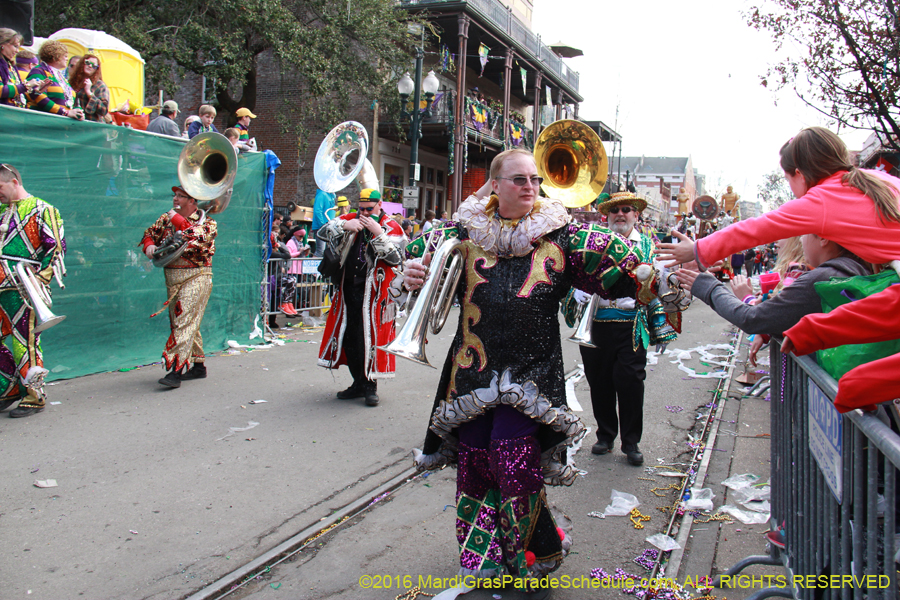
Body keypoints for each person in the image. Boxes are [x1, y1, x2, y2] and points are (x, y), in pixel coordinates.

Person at [403, 149, 682, 587]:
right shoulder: (460, 232)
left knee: (512, 458)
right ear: (495, 185)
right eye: (518, 179)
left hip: (532, 372)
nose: (529, 186)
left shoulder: (562, 236)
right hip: (472, 368)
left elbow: (622, 265)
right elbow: (413, 256)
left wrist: (661, 278)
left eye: (534, 179)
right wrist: (411, 272)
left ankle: (534, 553)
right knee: (476, 458)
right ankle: (482, 559)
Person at [658, 127, 900, 271]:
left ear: (800, 174)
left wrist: (698, 248)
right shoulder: (880, 179)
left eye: (787, 179)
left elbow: (755, 229)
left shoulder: (822, 199)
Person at [564, 192, 682, 466]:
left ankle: (631, 442)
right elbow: (570, 276)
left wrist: (663, 319)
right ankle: (605, 436)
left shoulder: (650, 248)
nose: (621, 214)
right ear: (606, 215)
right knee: (599, 382)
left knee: (630, 383)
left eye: (627, 209)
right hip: (596, 324)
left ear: (636, 215)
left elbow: (660, 288)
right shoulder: (590, 243)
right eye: (615, 210)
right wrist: (576, 292)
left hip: (631, 325)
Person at [317, 188, 404, 407]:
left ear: (379, 205)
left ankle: (370, 386)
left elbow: (396, 258)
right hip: (348, 291)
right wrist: (342, 225)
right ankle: (357, 382)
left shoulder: (390, 225)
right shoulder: (351, 218)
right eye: (361, 208)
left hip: (375, 295)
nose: (364, 213)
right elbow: (321, 231)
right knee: (349, 338)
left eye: (369, 209)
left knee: (370, 339)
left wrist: (378, 233)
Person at [0, 164, 66, 418]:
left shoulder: (43, 209)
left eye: (1, 188)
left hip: (21, 288)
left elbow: (56, 248)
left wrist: (40, 279)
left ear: (14, 181)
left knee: (24, 343)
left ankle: (34, 395)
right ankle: (9, 388)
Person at [141, 185, 217, 388]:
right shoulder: (166, 219)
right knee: (186, 322)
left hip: (197, 276)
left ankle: (175, 371)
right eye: (174, 195)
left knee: (184, 321)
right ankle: (198, 366)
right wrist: (149, 245)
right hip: (173, 278)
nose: (175, 199)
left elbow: (192, 236)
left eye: (180, 196)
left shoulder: (208, 223)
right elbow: (150, 233)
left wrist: (174, 217)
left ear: (192, 201)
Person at [25, 40, 84, 119]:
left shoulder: (60, 75)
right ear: (56, 56)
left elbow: (72, 99)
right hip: (42, 122)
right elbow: (38, 97)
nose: (67, 59)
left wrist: (78, 112)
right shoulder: (39, 71)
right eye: (65, 56)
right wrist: (64, 112)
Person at [0, 29, 49, 108]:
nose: (17, 51)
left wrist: (35, 91)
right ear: (2, 44)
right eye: (15, 46)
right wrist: (26, 85)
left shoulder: (11, 66)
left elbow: (19, 94)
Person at [69, 54, 110, 123]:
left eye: (94, 66)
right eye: (88, 63)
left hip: (92, 127)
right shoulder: (73, 82)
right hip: (72, 124)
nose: (90, 66)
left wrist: (89, 93)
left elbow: (104, 110)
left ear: (96, 69)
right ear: (82, 63)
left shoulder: (100, 85)